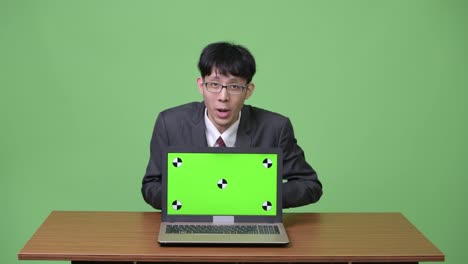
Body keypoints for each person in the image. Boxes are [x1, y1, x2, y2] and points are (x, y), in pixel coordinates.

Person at [142, 42, 322, 210]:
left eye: (234, 86)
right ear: (201, 86)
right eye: (214, 84)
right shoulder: (170, 124)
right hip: (190, 220)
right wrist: (194, 198)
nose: (223, 96)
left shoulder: (275, 128)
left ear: (248, 91)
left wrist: (254, 197)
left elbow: (310, 185)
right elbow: (151, 185)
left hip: (252, 224)